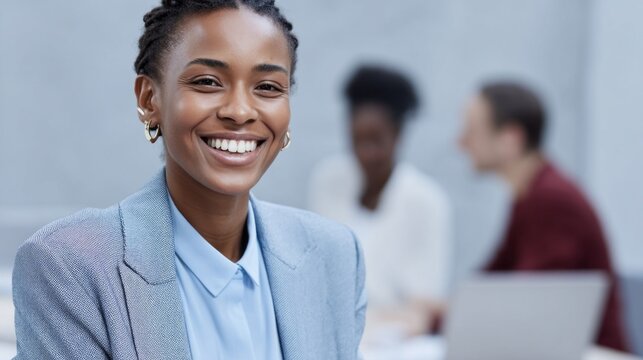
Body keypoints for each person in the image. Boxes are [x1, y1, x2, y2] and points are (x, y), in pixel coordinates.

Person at [12, 1, 366, 359]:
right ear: (150, 99)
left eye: (269, 87)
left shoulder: (334, 256)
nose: (240, 111)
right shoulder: (69, 268)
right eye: (207, 82)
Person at [459, 81, 629, 351]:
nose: (461, 142)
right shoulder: (529, 194)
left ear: (510, 139)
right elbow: (492, 284)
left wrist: (437, 318)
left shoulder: (550, 199)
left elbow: (527, 304)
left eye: (471, 131)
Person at [309, 65, 451, 343]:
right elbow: (316, 276)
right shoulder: (328, 181)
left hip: (400, 344)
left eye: (376, 141)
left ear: (398, 136)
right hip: (332, 334)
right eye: (357, 140)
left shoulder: (427, 201)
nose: (365, 153)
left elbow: (425, 304)